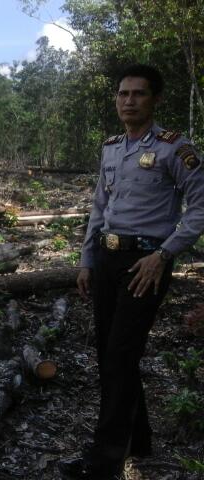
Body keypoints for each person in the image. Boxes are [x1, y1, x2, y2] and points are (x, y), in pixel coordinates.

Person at [59, 64, 204, 479]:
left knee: (121, 354)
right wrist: (87, 260)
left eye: (138, 94)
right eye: (123, 94)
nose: (129, 101)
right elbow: (99, 209)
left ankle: (103, 461)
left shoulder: (175, 149)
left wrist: (164, 254)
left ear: (154, 99)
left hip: (146, 263)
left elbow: (200, 206)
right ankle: (138, 439)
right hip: (107, 260)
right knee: (110, 353)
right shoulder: (110, 147)